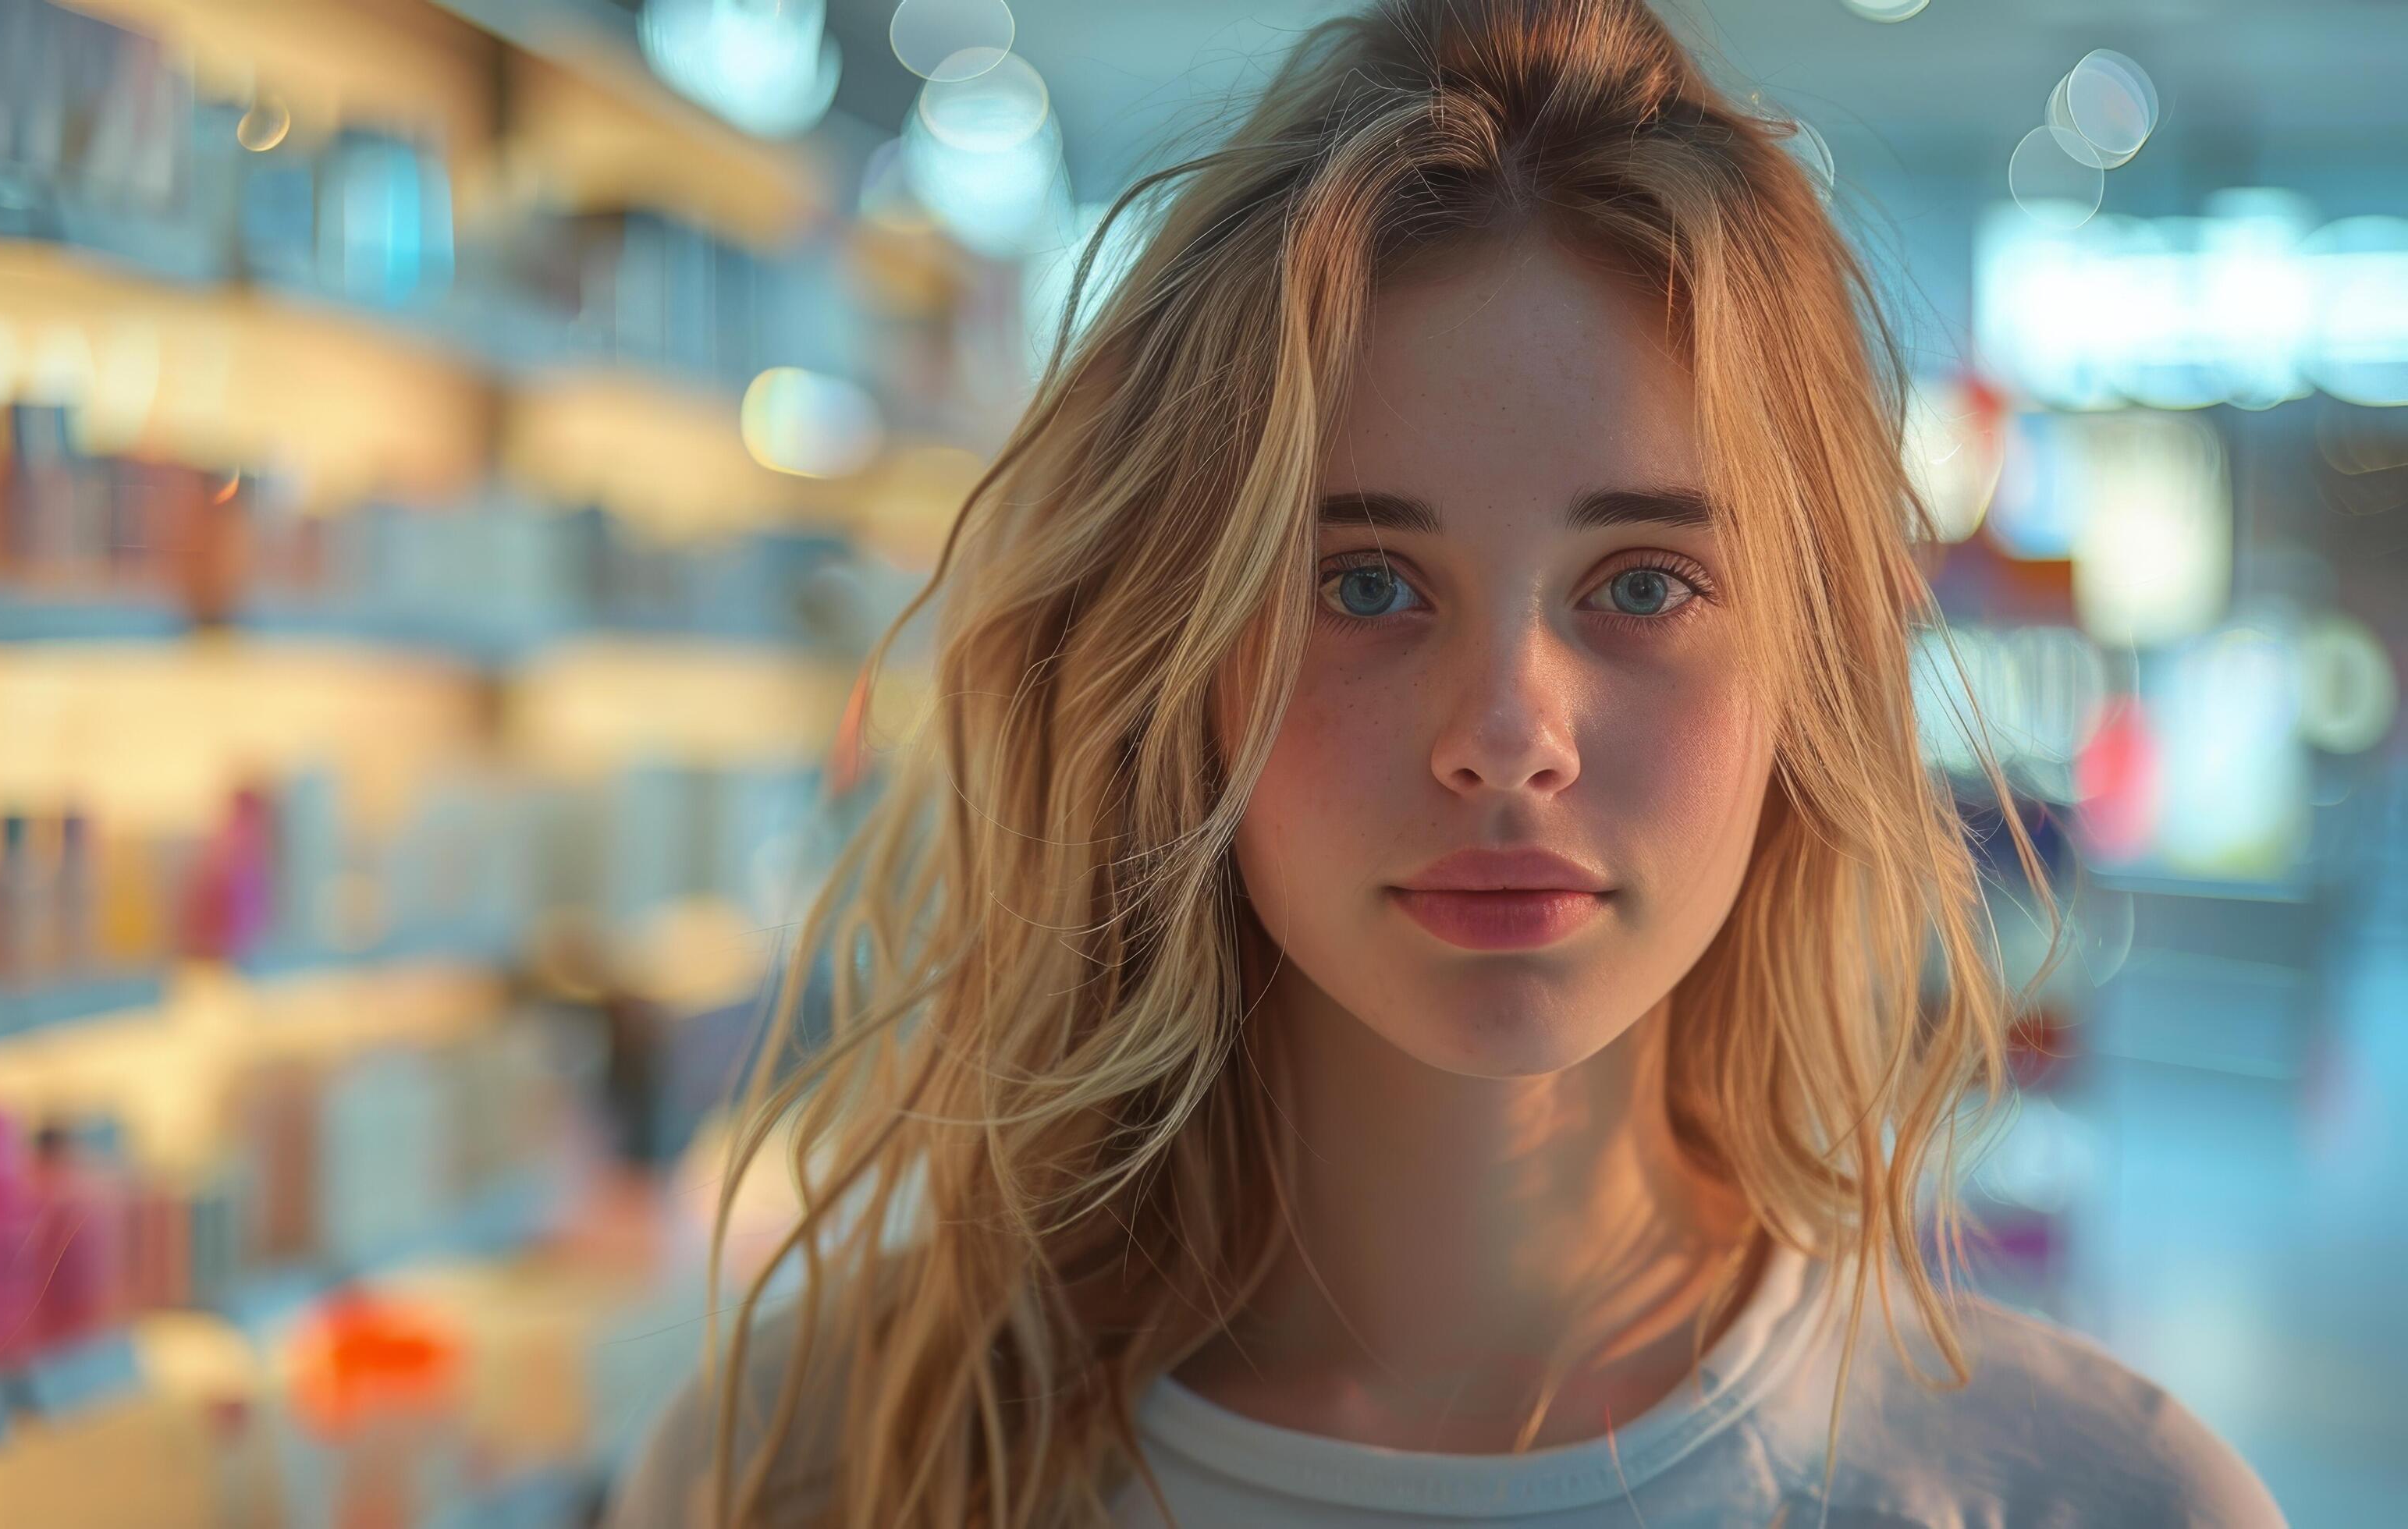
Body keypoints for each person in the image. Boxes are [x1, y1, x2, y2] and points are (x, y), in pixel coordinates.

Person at [605, 1, 2286, 1524]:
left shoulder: (2100, 1498)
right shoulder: (816, 1456)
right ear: (1172, 655)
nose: (1505, 734)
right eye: (1362, 582)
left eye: (1642, 584)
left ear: (1812, 669)